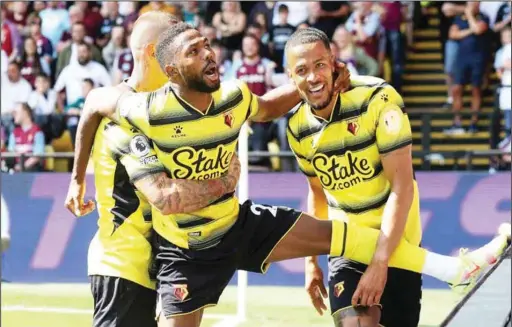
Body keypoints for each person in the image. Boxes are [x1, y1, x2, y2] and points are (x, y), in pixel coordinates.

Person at [67, 23, 510, 327]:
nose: (209, 54)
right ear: (172, 71)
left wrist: (318, 79)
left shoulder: (234, 98)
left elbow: (270, 107)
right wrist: (77, 175)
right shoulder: (144, 111)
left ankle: (457, 269)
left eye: (208, 45)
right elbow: (93, 111)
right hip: (186, 252)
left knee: (341, 235)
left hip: (238, 226)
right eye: (194, 51)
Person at [283, 27, 508, 327]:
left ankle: (458, 270)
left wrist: (380, 261)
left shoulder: (378, 98)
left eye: (319, 65)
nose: (312, 77)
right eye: (302, 70)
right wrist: (311, 262)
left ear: (334, 62)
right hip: (347, 248)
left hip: (397, 239)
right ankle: (458, 270)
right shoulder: (297, 128)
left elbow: (402, 187)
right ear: (290, 77)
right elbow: (317, 192)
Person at [64, 12, 240, 327]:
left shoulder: (159, 111)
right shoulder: (120, 111)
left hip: (157, 266)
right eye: (173, 50)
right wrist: (222, 183)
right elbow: (166, 196)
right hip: (123, 265)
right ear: (151, 54)